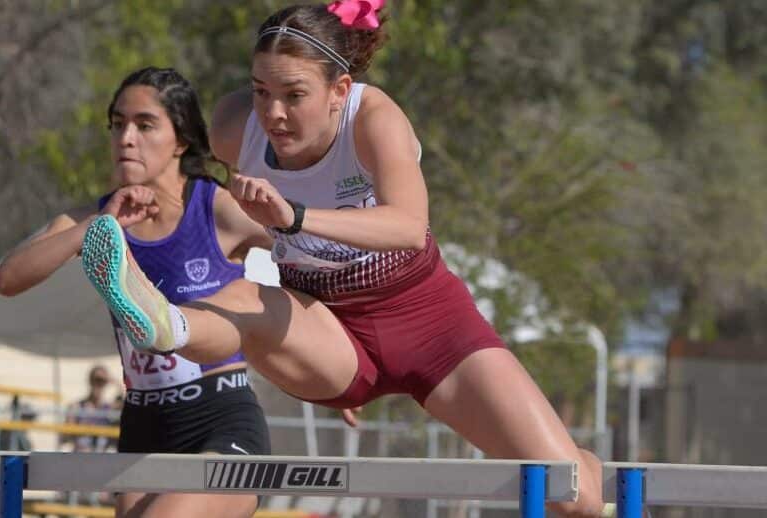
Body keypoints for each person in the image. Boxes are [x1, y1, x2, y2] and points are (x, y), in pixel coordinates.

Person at [78, 2, 605, 516]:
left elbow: (407, 227)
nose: (274, 113)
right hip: (328, 331)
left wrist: (296, 217)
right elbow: (178, 166)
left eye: (294, 95)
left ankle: (594, 478)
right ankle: (162, 324)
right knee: (248, 300)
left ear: (340, 91)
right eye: (261, 91)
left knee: (571, 495)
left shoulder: (374, 119)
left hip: (430, 326)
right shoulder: (236, 128)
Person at [0, 66, 272, 518]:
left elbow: (311, 256)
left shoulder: (216, 209)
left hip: (220, 416)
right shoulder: (98, 219)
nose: (126, 138)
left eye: (144, 125)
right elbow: (8, 279)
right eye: (118, 124)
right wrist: (94, 230)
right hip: (144, 420)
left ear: (180, 140)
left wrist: (337, 377)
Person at [61, 365, 121, 453]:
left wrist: (115, 383)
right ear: (90, 381)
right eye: (96, 380)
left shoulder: (109, 407)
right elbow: (66, 435)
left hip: (102, 456)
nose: (98, 384)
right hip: (81, 455)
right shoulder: (77, 406)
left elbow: (126, 399)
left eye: (102, 381)